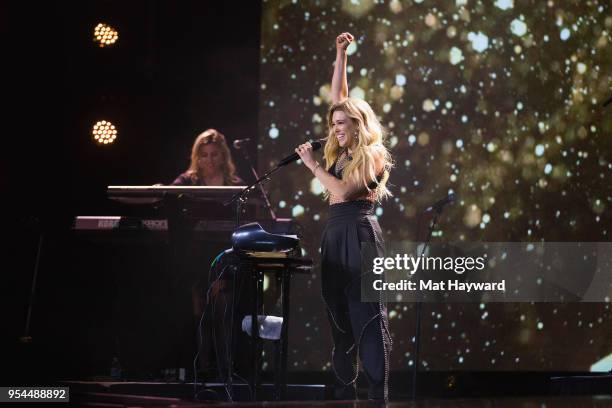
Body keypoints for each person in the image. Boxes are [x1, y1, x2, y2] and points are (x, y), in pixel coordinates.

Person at [295, 32, 393, 401]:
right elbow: (341, 96)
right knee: (338, 315)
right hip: (335, 233)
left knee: (366, 316)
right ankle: (343, 390)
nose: (336, 128)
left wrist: (310, 165)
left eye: (342, 123)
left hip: (360, 231)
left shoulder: (373, 155)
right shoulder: (339, 147)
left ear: (358, 123)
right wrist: (340, 54)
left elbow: (342, 191)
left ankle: (377, 396)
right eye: (334, 123)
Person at [172, 128, 243, 186]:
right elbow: (166, 196)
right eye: (204, 155)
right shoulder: (186, 181)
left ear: (223, 156)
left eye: (214, 154)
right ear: (197, 157)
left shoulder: (236, 184)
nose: (210, 160)